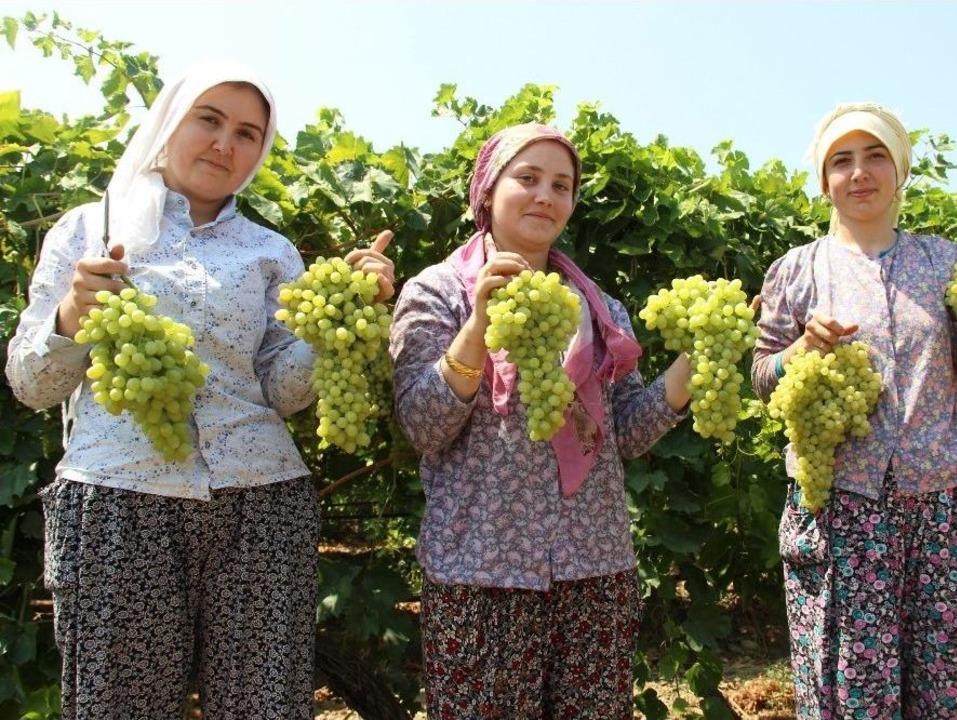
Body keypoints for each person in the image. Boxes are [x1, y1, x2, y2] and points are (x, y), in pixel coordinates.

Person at [5, 63, 394, 719]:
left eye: (247, 133)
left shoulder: (270, 251)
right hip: (118, 504)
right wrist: (70, 317)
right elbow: (30, 384)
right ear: (170, 121)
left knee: (263, 707)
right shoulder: (88, 230)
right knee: (117, 707)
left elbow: (285, 390)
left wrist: (337, 320)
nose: (225, 144)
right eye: (208, 120)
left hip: (263, 507)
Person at [751, 102, 957, 719]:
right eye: (842, 160)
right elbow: (762, 377)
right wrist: (801, 351)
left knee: (939, 686)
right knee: (852, 689)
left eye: (875, 156)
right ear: (823, 180)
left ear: (900, 170)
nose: (859, 173)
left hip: (945, 504)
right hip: (842, 507)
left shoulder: (944, 262)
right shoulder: (795, 272)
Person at [389, 123, 692, 718]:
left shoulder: (598, 307)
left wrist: (693, 364)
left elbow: (625, 435)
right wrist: (478, 328)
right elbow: (423, 426)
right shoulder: (437, 293)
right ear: (487, 190)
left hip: (595, 568)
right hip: (481, 572)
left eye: (561, 185)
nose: (545, 196)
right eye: (527, 178)